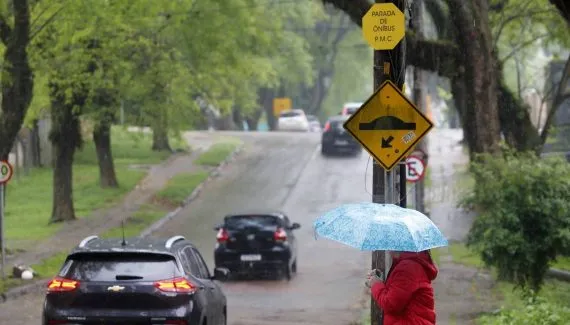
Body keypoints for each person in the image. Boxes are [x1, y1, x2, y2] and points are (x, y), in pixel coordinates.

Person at [366, 250, 438, 325]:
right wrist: (379, 282)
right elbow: (398, 293)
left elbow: (390, 304)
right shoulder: (409, 263)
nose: (388, 250)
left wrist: (376, 284)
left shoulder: (407, 267)